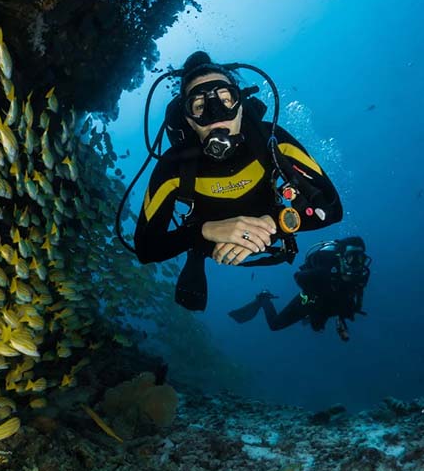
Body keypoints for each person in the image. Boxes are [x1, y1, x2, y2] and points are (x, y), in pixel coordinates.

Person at [133, 51, 343, 310]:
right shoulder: (173, 166)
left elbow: (332, 209)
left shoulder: (273, 141)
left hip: (272, 227)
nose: (215, 114)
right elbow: (146, 248)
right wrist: (203, 232)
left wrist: (275, 223)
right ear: (188, 119)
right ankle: (196, 254)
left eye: (225, 99)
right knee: (196, 247)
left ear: (241, 105)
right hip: (209, 242)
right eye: (199, 106)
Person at [228, 237, 371, 341]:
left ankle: (314, 317)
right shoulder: (323, 271)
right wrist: (316, 288)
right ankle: (264, 298)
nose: (357, 264)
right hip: (310, 300)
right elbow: (298, 276)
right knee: (275, 325)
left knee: (317, 327)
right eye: (352, 258)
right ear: (341, 258)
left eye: (361, 259)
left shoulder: (360, 277)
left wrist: (342, 317)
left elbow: (352, 299)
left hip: (327, 305)